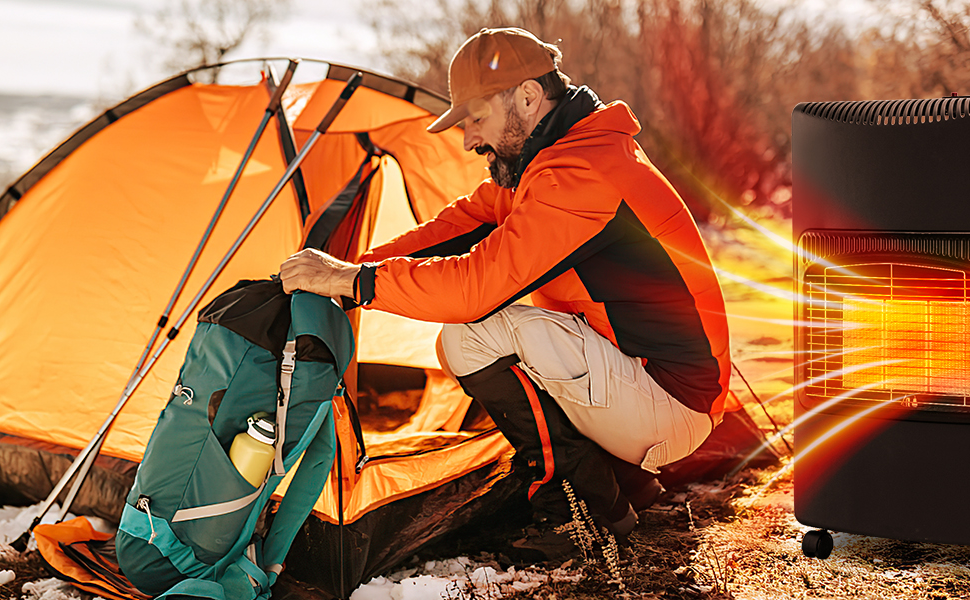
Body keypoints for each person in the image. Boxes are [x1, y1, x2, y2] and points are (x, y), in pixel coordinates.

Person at [279, 27, 731, 562]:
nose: (469, 139)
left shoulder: (583, 172)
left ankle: (582, 506)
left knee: (478, 332)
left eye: (475, 119)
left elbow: (476, 287)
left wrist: (353, 284)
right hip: (638, 383)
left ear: (527, 98)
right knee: (476, 334)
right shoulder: (549, 162)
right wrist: (351, 267)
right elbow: (456, 227)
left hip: (671, 406)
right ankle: (615, 485)